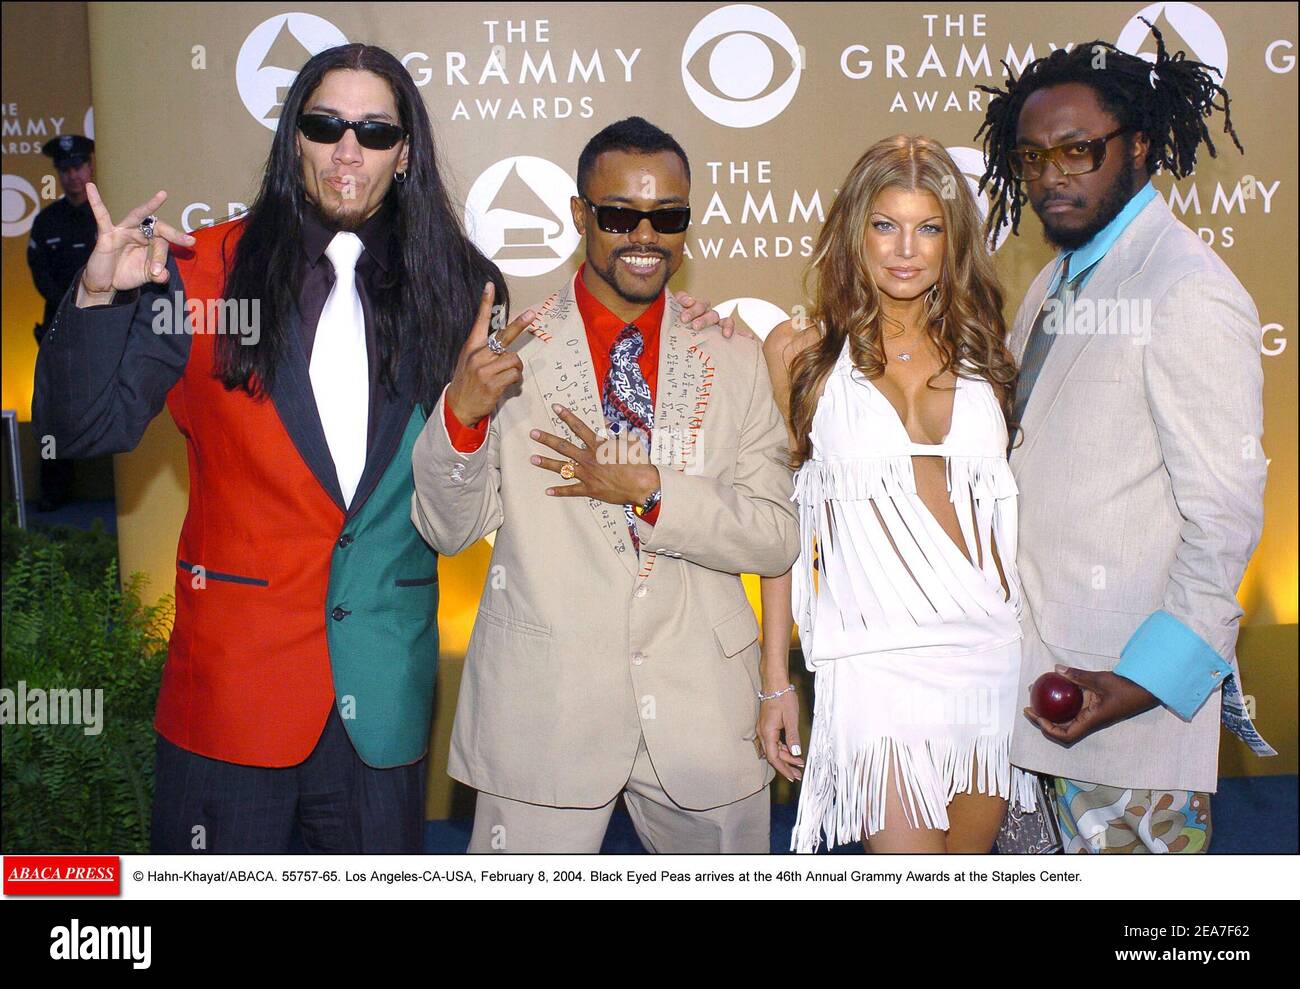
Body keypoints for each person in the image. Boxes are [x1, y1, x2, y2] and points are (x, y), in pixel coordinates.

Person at [31, 46, 722, 853]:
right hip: (230, 701)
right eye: (327, 125)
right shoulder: (203, 272)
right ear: (296, 139)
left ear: (405, 152)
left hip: (381, 703)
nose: (348, 149)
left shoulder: (463, 287)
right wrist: (96, 295)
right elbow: (82, 431)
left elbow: (498, 454)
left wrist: (685, 328)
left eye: (374, 130)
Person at [411, 116, 798, 853]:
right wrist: (460, 416)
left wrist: (655, 491)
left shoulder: (734, 356)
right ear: (580, 215)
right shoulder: (509, 353)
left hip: (704, 715)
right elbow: (446, 527)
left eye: (668, 217)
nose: (644, 236)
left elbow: (774, 532)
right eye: (619, 215)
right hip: (545, 710)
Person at [976, 22, 1273, 853]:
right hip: (1032, 692)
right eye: (1032, 158)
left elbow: (1223, 518)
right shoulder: (1055, 275)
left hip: (1123, 712)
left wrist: (1141, 681)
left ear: (1140, 144)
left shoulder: (1185, 288)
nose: (1050, 177)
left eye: (1079, 150)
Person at [761, 135, 1034, 854]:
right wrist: (774, 680)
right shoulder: (800, 353)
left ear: (953, 240)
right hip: (873, 660)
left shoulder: (990, 352)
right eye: (885, 224)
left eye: (928, 227)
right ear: (856, 231)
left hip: (988, 653)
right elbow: (780, 527)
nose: (905, 248)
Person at [27, 134, 97, 510]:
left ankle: (126, 495)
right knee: (54, 413)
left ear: (90, 167)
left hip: (107, 326)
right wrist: (70, 306)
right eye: (65, 170)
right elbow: (41, 276)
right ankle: (54, 496)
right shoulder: (46, 222)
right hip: (59, 331)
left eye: (78, 167)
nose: (72, 175)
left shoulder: (109, 217)